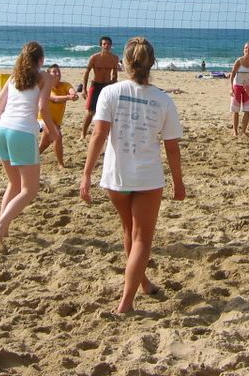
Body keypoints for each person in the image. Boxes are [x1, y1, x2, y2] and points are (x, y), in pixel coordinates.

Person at [79, 37, 185, 314]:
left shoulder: (110, 93)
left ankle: (143, 282)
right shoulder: (163, 99)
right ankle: (126, 303)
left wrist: (86, 174)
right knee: (141, 239)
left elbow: (98, 134)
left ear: (124, 63)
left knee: (129, 231)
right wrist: (178, 182)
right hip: (147, 177)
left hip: (117, 176)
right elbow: (172, 148)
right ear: (153, 63)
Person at [0, 41, 60, 253]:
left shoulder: (13, 78)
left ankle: (4, 227)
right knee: (30, 189)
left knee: (14, 183)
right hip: (22, 132)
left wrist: (10, 121)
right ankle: (0, 226)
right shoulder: (45, 77)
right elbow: (43, 109)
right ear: (41, 60)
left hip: (1, 129)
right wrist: (53, 133)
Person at [38, 63, 79, 167]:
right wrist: (69, 97)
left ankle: (31, 159)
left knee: (45, 144)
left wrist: (73, 95)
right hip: (43, 119)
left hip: (56, 121)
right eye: (54, 72)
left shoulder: (65, 85)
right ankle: (61, 164)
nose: (57, 74)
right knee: (57, 136)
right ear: (48, 74)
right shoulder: (46, 87)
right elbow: (55, 99)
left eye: (58, 72)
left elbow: (71, 91)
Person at [81, 36, 118, 139]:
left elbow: (114, 75)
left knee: (108, 111)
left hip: (107, 86)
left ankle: (107, 134)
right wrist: (84, 89)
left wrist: (113, 87)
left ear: (111, 45)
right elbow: (87, 72)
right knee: (91, 111)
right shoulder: (94, 57)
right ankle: (83, 134)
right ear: (101, 45)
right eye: (104, 44)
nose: (106, 46)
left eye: (108, 44)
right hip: (95, 84)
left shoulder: (114, 58)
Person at [229, 42, 249, 136]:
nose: (247, 50)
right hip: (237, 86)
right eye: (246, 48)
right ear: (243, 49)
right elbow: (232, 74)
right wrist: (231, 88)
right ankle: (235, 131)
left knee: (247, 110)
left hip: (247, 88)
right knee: (236, 110)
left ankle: (244, 131)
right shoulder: (239, 61)